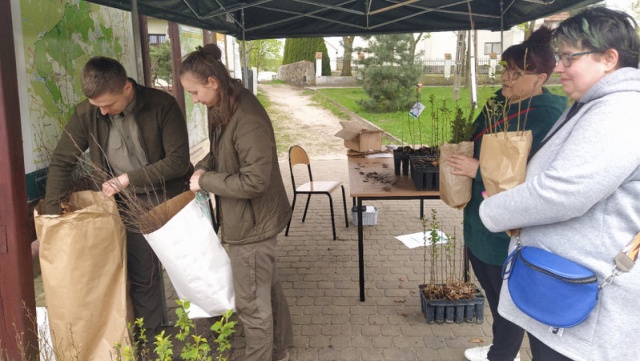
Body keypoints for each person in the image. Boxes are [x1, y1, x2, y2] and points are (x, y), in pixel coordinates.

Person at [478, 7, 640, 361]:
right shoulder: (596, 103)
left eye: (569, 57)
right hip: (564, 287)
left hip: (581, 298)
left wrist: (493, 210)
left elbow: (562, 192)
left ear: (609, 58)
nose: (559, 67)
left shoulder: (621, 112)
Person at [44, 56, 193, 339]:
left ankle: (212, 334)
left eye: (108, 105)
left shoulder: (162, 105)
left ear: (127, 88)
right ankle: (154, 341)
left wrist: (128, 178)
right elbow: (63, 161)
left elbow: (177, 161)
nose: (102, 112)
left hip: (171, 201)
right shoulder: (87, 113)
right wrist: (52, 216)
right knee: (143, 274)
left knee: (188, 269)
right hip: (128, 206)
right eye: (96, 106)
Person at [446, 27, 567, 361]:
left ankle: (502, 354)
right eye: (504, 70)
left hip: (511, 231)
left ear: (541, 78)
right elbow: (477, 140)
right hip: (479, 220)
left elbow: (539, 181)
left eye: (516, 73)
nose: (506, 78)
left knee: (509, 302)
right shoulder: (498, 102)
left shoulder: (550, 117)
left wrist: (479, 170)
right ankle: (503, 349)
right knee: (492, 291)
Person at [179, 44, 293, 361]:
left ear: (212, 82)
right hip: (251, 218)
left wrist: (206, 181)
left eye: (194, 91)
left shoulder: (247, 117)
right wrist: (203, 165)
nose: (194, 98)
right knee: (265, 286)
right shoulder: (226, 104)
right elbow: (225, 153)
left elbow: (255, 180)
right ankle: (280, 348)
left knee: (251, 303)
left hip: (253, 223)